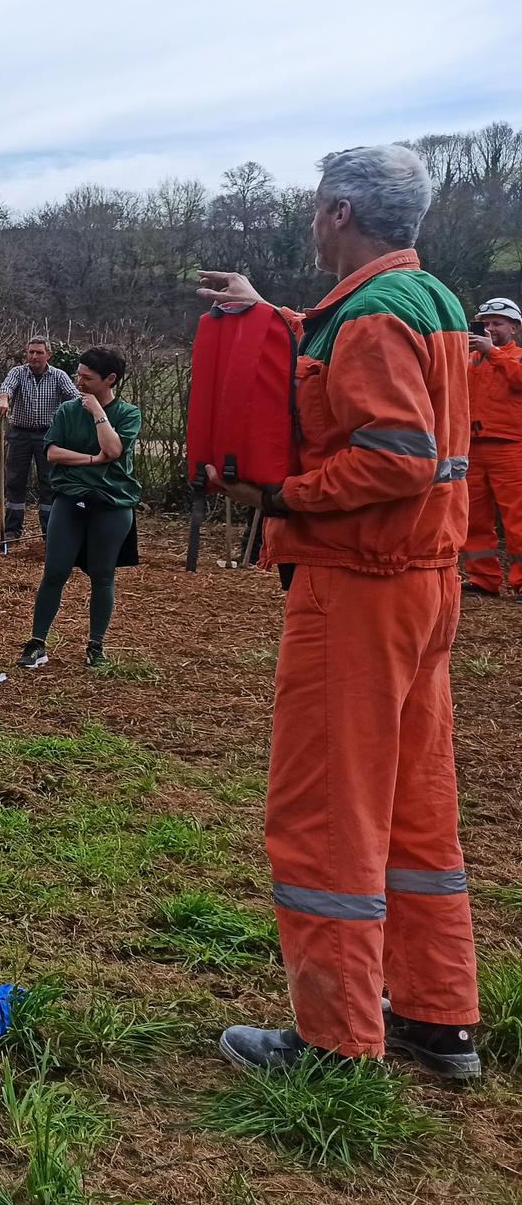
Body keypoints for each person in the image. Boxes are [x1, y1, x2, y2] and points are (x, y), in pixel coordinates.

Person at [198, 144, 482, 1078]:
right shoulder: (428, 300)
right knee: (415, 809)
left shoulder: (367, 318)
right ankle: (439, 1021)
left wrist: (286, 498)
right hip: (425, 585)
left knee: (326, 812)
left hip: (358, 585)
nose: (313, 218)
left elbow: (394, 455)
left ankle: (334, 1038)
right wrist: (267, 311)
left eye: (319, 206)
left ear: (341, 213)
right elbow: (369, 375)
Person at [18, 347, 140, 671]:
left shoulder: (128, 413)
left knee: (102, 575)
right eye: (79, 374)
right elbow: (53, 453)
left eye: (87, 377)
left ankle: (95, 646)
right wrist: (90, 460)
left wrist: (98, 412)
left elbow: (113, 449)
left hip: (112, 503)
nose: (79, 381)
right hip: (70, 498)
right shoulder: (66, 411)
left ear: (110, 379)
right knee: (55, 570)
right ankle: (37, 643)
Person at [463, 296, 522, 597]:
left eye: (497, 323)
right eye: (485, 324)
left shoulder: (516, 357)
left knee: (518, 517)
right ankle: (483, 579)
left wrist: (494, 353)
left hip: (510, 449)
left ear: (514, 326)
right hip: (472, 449)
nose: (490, 329)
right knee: (474, 519)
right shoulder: (470, 361)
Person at [0, 336, 79, 546]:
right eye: (31, 352)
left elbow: (74, 398)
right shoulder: (18, 373)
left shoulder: (59, 376)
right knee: (15, 481)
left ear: (48, 355)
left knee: (49, 483)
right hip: (20, 434)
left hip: (48, 436)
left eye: (39, 352)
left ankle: (49, 532)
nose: (34, 356)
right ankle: (13, 531)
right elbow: (7, 388)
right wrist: (4, 399)